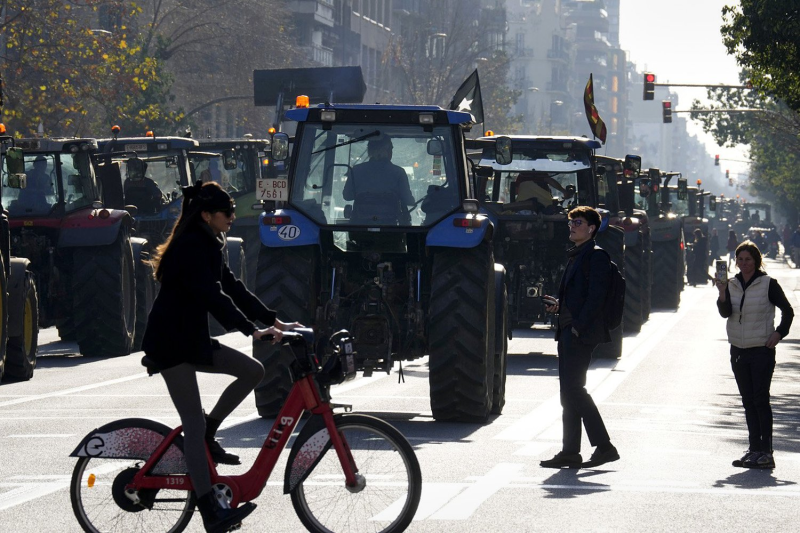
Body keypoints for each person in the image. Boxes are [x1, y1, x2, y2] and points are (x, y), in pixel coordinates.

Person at [141, 181, 302, 532]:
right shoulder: (189, 246)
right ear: (206, 215)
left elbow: (233, 286)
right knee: (192, 430)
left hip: (192, 340)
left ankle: (210, 431)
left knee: (252, 370)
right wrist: (251, 330)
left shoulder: (210, 242)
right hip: (171, 344)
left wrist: (272, 320)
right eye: (226, 212)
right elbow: (212, 295)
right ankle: (210, 510)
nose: (233, 216)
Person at [539, 206, 620, 469]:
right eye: (571, 222)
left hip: (579, 333)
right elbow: (581, 295)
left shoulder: (595, 256)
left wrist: (578, 326)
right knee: (568, 393)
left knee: (574, 389)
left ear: (592, 229)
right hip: (569, 330)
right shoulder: (578, 255)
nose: (572, 226)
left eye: (578, 222)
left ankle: (604, 446)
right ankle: (570, 451)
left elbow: (597, 296)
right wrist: (560, 305)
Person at [714, 241, 793, 469]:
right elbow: (725, 313)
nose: (744, 264)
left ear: (756, 260)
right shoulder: (731, 284)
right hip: (738, 349)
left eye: (748, 259)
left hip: (761, 350)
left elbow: (787, 311)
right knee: (748, 401)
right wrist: (721, 293)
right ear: (735, 262)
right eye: (740, 260)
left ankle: (766, 452)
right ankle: (753, 449)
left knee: (760, 400)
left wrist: (778, 334)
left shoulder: (768, 283)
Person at [343, 135, 415, 224]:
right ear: (387, 150)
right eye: (391, 149)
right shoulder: (398, 172)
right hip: (389, 227)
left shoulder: (356, 170)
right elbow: (407, 200)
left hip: (360, 226)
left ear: (370, 150)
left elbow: (347, 196)